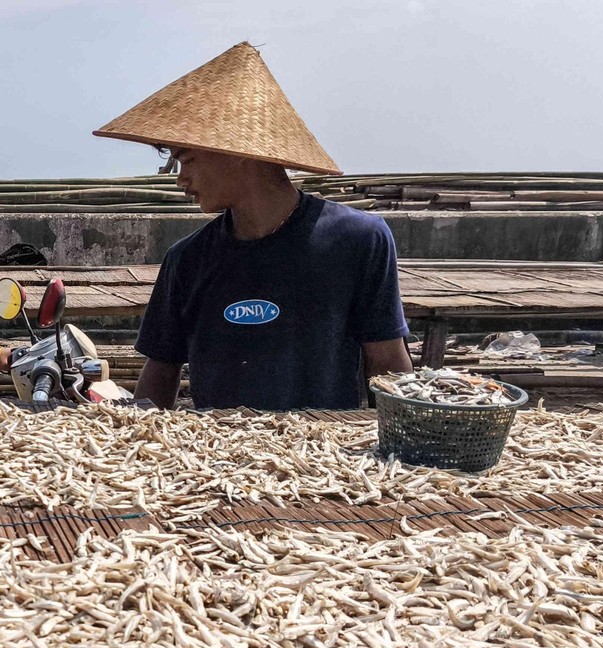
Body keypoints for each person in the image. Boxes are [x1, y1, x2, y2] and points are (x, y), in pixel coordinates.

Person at [93, 42, 412, 411]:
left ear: (240, 153)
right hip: (215, 459)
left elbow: (388, 361)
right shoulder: (188, 259)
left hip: (324, 457)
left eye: (188, 160)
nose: (182, 180)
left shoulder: (359, 240)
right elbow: (161, 369)